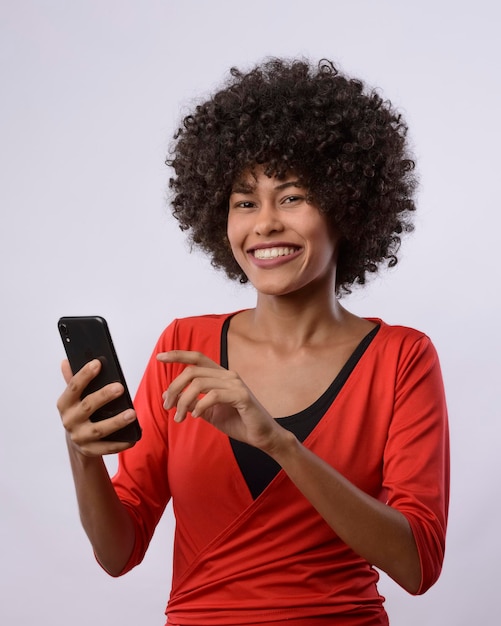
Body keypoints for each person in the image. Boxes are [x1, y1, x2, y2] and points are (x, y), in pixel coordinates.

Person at [57, 58, 449, 626]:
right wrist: (82, 455)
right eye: (245, 202)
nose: (264, 223)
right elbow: (119, 553)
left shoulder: (402, 358)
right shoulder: (182, 347)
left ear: (347, 206)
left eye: (291, 197)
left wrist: (280, 444)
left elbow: (418, 564)